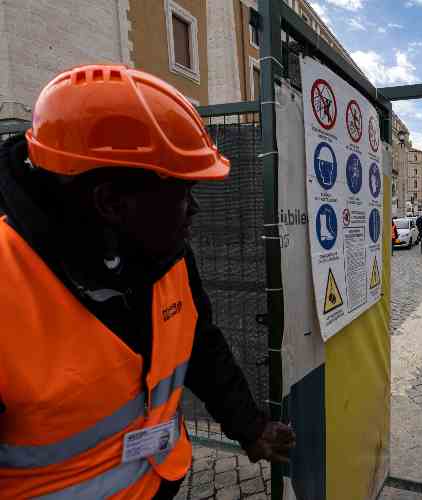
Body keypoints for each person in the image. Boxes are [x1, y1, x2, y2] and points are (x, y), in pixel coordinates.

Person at [0, 65, 295, 499]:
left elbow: (200, 344)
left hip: (161, 479)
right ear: (112, 203)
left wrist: (248, 427)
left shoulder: (163, 254)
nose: (193, 210)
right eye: (182, 194)